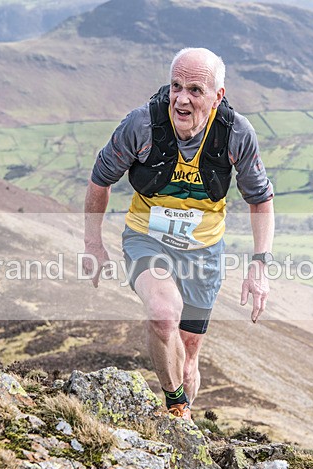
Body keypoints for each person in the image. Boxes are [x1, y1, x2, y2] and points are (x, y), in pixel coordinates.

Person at [83, 47, 274, 421]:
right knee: (163, 313)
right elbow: (99, 180)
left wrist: (260, 265)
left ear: (218, 96)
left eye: (195, 90)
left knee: (188, 355)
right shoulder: (141, 126)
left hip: (204, 251)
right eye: (175, 86)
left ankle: (184, 388)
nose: (181, 98)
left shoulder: (235, 133)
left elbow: (260, 199)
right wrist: (93, 243)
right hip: (147, 238)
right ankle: (176, 408)